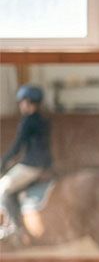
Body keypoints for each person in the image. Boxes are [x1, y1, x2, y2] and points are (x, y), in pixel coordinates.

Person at [0, 85, 52, 243]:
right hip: (42, 163)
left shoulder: (27, 122)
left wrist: (2, 161)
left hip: (31, 165)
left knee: (3, 188)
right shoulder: (43, 120)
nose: (21, 105)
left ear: (29, 103)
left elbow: (17, 146)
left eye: (22, 102)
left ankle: (15, 228)